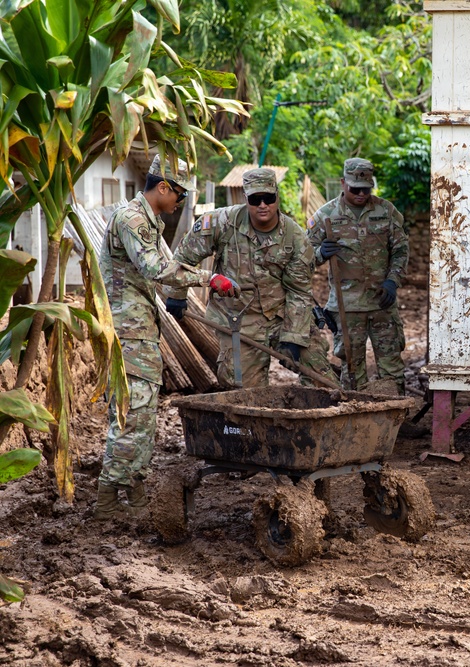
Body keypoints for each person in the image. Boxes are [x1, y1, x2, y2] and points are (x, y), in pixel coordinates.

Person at [96, 154, 238, 520]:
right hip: (127, 332)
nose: (180, 203)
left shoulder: (150, 221)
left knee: (143, 417)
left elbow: (167, 266)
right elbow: (156, 267)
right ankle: (109, 501)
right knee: (132, 414)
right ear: (163, 187)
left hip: (141, 329)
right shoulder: (130, 218)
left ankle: (135, 489)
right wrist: (207, 278)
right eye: (180, 194)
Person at [164, 168, 337, 389]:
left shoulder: (295, 238)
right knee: (244, 394)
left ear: (277, 196)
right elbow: (184, 258)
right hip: (237, 321)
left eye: (268, 198)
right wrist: (177, 295)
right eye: (255, 199)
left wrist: (293, 335)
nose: (263, 205)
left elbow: (299, 290)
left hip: (281, 315)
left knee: (319, 375)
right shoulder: (221, 222)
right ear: (246, 198)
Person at [307, 158, 409, 394]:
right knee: (352, 369)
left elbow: (401, 250)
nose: (361, 194)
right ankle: (358, 417)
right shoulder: (326, 215)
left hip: (382, 303)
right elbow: (303, 256)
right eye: (355, 189)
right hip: (346, 307)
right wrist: (320, 253)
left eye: (366, 189)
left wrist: (393, 281)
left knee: (392, 367)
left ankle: (394, 418)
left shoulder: (386, 211)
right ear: (343, 183)